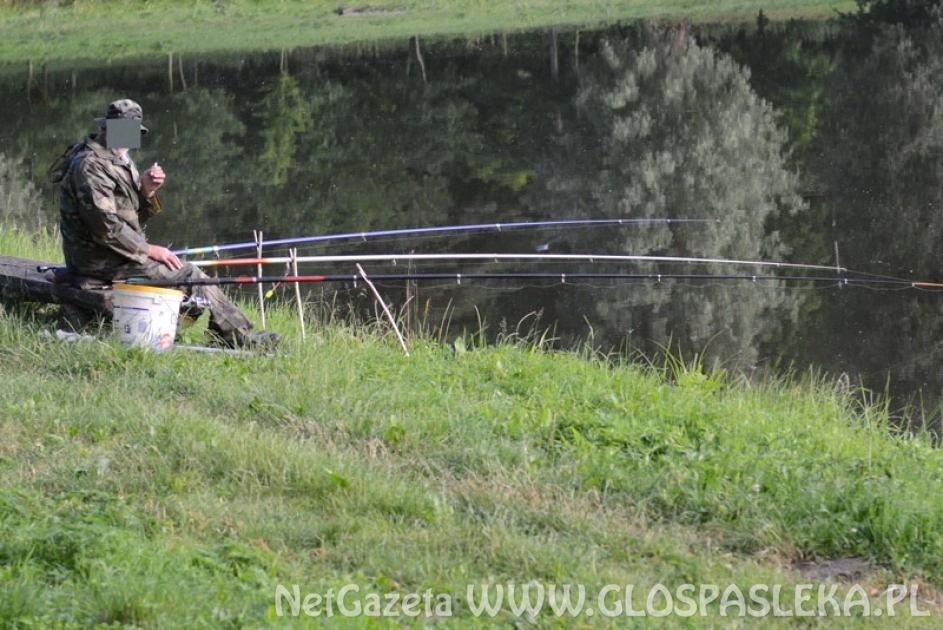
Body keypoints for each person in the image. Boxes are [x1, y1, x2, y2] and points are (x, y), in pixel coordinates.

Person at [48, 98, 280, 350]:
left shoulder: (117, 158)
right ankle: (238, 339)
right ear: (105, 128)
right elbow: (106, 228)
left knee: (179, 270)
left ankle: (179, 328)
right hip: (97, 261)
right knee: (190, 275)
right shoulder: (90, 166)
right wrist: (149, 250)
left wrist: (146, 191)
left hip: (112, 255)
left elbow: (128, 217)